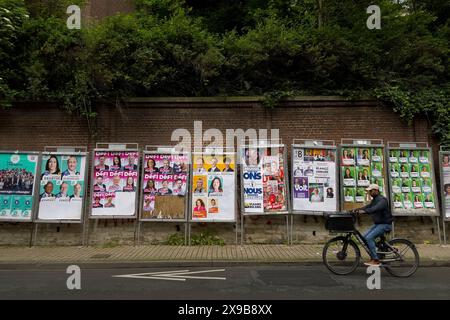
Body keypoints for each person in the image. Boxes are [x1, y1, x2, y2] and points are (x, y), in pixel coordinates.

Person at [353, 184, 393, 266]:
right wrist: (357, 210)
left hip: (385, 224)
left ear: (376, 191)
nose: (370, 193)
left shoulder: (382, 200)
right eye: (369, 191)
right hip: (378, 224)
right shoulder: (375, 200)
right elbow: (368, 206)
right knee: (364, 237)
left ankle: (376, 259)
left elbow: (376, 208)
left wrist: (365, 211)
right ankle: (379, 250)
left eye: (371, 191)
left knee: (369, 237)